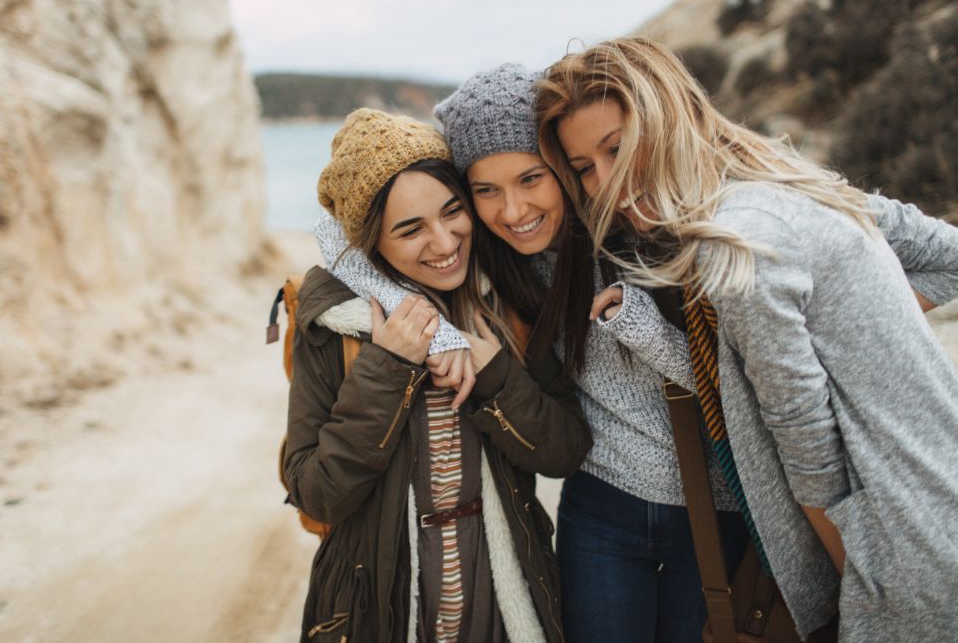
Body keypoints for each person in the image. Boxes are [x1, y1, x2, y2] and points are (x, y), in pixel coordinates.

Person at [536, 37, 958, 642]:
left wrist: (859, 593)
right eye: (584, 168)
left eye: (618, 147)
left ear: (669, 117)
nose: (608, 184)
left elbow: (809, 455)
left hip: (898, 558)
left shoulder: (737, 246)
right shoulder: (788, 186)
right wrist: (837, 328)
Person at [316, 64, 751, 643]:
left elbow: (744, 387)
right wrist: (436, 336)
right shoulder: (500, 260)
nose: (513, 211)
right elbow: (339, 238)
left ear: (565, 170)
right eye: (485, 191)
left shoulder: (647, 234)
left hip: (711, 507)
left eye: (531, 179)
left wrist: (640, 326)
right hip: (599, 508)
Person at [284, 108, 591, 643]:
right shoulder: (334, 325)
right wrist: (389, 366)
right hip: (376, 602)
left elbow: (564, 450)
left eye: (453, 212)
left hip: (498, 590)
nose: (446, 243)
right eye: (410, 229)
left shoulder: (507, 302)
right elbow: (317, 494)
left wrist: (493, 371)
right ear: (369, 242)